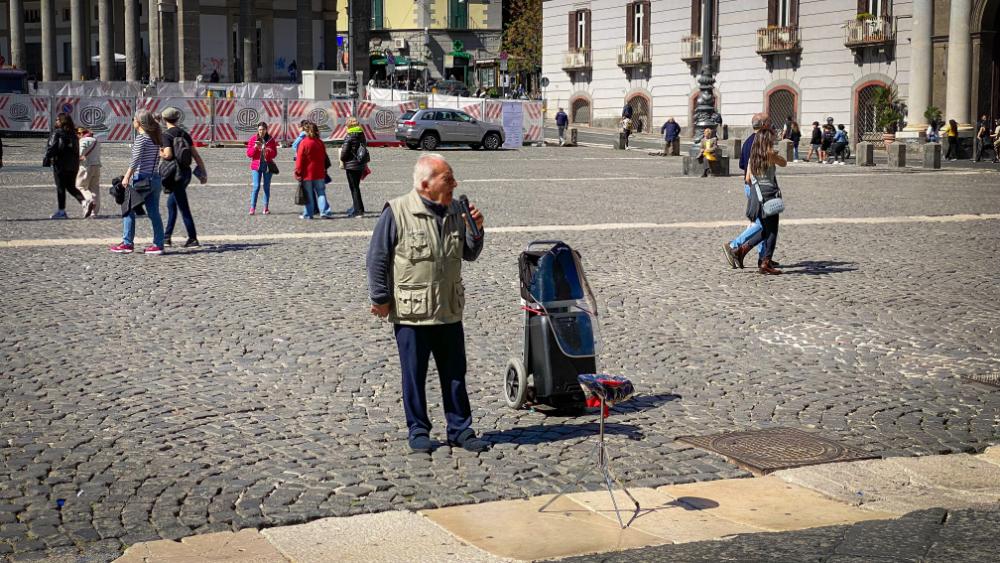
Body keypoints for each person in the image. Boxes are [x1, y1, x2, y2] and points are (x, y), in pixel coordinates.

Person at [366, 154, 488, 454]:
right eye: (447, 179)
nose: (455, 184)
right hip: (412, 313)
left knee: (455, 374)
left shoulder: (457, 209)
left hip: (448, 309)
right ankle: (418, 429)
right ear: (425, 184)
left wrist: (477, 230)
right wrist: (380, 298)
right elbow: (377, 258)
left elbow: (470, 254)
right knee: (414, 374)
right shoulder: (396, 212)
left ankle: (460, 429)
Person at [731, 121, 786, 275]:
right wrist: (775, 156)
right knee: (772, 230)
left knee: (765, 229)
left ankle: (740, 250)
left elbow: (748, 178)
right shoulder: (769, 155)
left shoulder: (752, 158)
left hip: (756, 196)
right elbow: (784, 163)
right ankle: (765, 262)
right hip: (769, 195)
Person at [110, 109, 165, 254]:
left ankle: (127, 243)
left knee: (128, 209)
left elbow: (135, 160)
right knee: (154, 213)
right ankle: (158, 244)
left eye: (134, 119)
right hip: (155, 178)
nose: (132, 121)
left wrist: (127, 177)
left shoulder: (142, 138)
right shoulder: (156, 137)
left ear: (139, 122)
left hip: (142, 178)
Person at [723, 113, 774, 269]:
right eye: (770, 123)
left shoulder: (747, 142)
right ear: (764, 124)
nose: (772, 126)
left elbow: (742, 165)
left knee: (762, 222)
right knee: (763, 225)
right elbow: (751, 166)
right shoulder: (760, 142)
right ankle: (734, 245)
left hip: (751, 186)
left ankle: (763, 257)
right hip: (758, 186)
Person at [160, 107, 208, 248]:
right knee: (171, 204)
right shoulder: (184, 134)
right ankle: (167, 237)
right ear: (177, 119)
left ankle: (192, 238)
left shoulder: (167, 135)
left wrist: (160, 153)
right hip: (185, 173)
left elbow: (168, 155)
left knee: (183, 206)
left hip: (174, 174)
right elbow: (196, 155)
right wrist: (203, 172)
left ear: (164, 119)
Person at [44, 113, 85, 219]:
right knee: (70, 186)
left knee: (61, 188)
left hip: (60, 165)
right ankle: (85, 202)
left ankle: (61, 211)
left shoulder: (57, 133)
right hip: (73, 165)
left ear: (62, 121)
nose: (56, 121)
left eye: (58, 119)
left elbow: (52, 147)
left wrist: (47, 158)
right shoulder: (74, 134)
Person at [294, 122, 332, 219]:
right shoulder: (320, 142)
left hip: (307, 174)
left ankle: (308, 214)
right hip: (319, 172)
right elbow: (324, 157)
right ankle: (324, 212)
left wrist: (298, 172)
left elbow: (299, 160)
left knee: (309, 194)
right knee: (321, 193)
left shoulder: (304, 143)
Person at [245, 122, 278, 215]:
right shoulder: (253, 139)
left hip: (267, 166)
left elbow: (274, 154)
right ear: (257, 130)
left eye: (263, 129)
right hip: (256, 166)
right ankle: (252, 208)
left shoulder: (271, 140)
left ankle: (265, 208)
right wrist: (255, 147)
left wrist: (266, 149)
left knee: (266, 187)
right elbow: (249, 154)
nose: (261, 131)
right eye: (260, 130)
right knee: (256, 186)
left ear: (266, 130)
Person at [340, 116, 369, 218]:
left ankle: (358, 211)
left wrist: (342, 159)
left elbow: (344, 152)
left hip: (351, 166)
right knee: (356, 187)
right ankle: (359, 207)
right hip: (360, 164)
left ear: (349, 125)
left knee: (354, 188)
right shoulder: (362, 134)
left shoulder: (349, 136)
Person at [75, 127, 101, 218]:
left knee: (80, 186)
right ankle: (94, 212)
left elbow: (80, 154)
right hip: (97, 166)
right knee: (94, 188)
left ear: (81, 133)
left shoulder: (83, 141)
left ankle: (89, 200)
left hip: (86, 167)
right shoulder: (96, 141)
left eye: (77, 134)